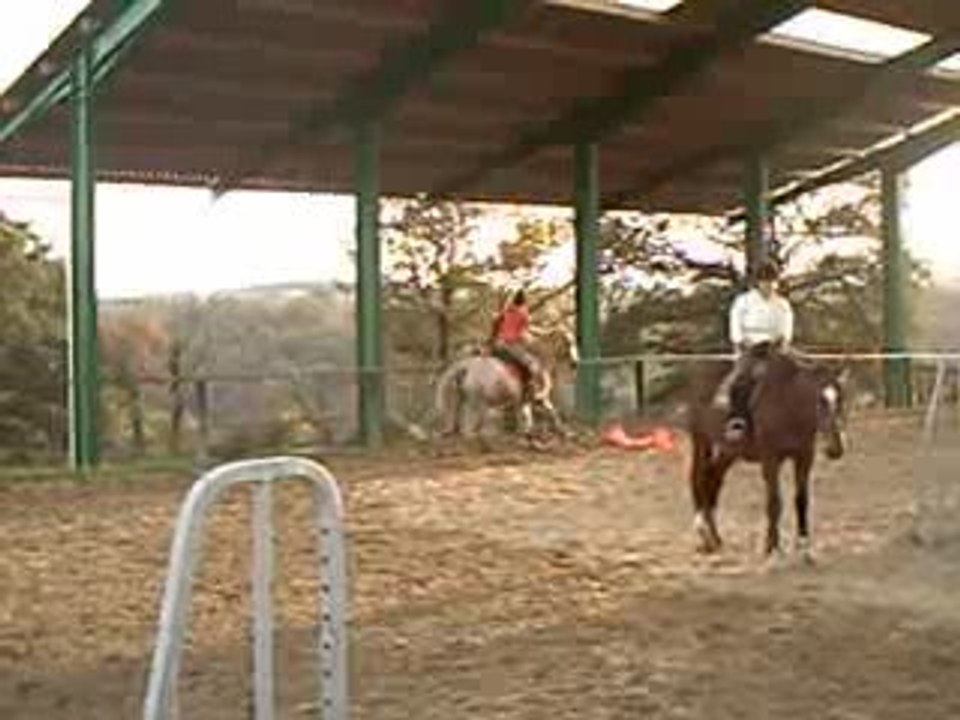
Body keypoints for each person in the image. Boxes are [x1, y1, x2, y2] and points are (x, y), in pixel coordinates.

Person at [719, 260, 795, 441]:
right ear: (758, 282)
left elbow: (787, 328)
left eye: (772, 281)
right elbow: (735, 325)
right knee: (742, 379)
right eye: (765, 281)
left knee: (795, 375)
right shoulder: (744, 302)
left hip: (774, 347)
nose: (769, 285)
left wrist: (782, 340)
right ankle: (737, 419)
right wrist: (741, 341)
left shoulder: (782, 304)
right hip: (750, 345)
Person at [489, 289, 541, 399]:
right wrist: (533, 338)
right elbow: (523, 332)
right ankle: (530, 390)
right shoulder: (523, 312)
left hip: (497, 344)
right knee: (533, 364)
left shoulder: (506, 310)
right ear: (524, 301)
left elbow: (495, 320)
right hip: (510, 345)